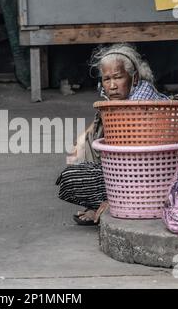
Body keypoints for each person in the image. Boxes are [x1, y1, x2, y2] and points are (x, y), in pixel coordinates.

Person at [56, 43, 169, 225]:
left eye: (118, 77)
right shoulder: (119, 96)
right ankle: (109, 201)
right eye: (107, 79)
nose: (112, 85)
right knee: (91, 137)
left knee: (71, 178)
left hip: (149, 177)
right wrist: (80, 142)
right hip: (128, 173)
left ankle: (115, 202)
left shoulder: (141, 100)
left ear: (134, 77)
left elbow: (137, 159)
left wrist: (113, 199)